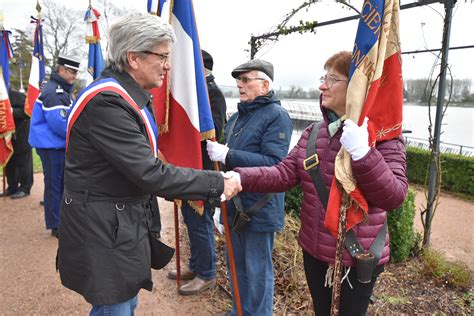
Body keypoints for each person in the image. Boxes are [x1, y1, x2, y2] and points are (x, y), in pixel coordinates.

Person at [57, 13, 241, 315]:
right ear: (134, 58)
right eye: (162, 57)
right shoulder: (108, 102)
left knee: (123, 302)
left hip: (114, 224)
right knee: (114, 307)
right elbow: (149, 172)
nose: (168, 66)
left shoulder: (125, 96)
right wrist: (217, 182)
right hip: (105, 229)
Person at [230, 51, 408, 315]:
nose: (322, 85)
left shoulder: (383, 138)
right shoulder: (314, 133)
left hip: (355, 257)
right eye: (324, 77)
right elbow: (283, 174)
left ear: (357, 88)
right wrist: (240, 178)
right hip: (314, 250)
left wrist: (364, 154)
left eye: (333, 79)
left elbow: (393, 196)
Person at [206, 59, 293, 315]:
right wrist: (218, 206)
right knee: (237, 268)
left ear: (265, 84)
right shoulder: (237, 117)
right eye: (238, 80)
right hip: (233, 205)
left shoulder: (277, 116)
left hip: (259, 209)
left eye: (246, 80)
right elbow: (227, 168)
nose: (239, 85)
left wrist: (229, 154)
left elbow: (275, 164)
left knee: (257, 274)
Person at [167, 49, 227, 295]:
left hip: (201, 168)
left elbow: (216, 131)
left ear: (202, 70)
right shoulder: (192, 95)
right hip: (189, 168)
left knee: (200, 222)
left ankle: (207, 273)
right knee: (191, 220)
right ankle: (196, 265)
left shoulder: (211, 94)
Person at [28, 54, 80, 238]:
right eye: (72, 71)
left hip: (55, 145)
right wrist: (81, 138)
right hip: (52, 146)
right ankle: (56, 225)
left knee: (59, 183)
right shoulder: (55, 91)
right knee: (55, 185)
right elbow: (60, 124)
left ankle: (60, 221)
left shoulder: (61, 89)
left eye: (76, 71)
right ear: (61, 70)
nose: (75, 75)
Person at [1, 89, 33, 199]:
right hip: (6, 136)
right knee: (10, 163)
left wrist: (10, 110)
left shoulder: (18, 96)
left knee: (24, 163)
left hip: (21, 135)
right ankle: (12, 187)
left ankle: (25, 187)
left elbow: (27, 113)